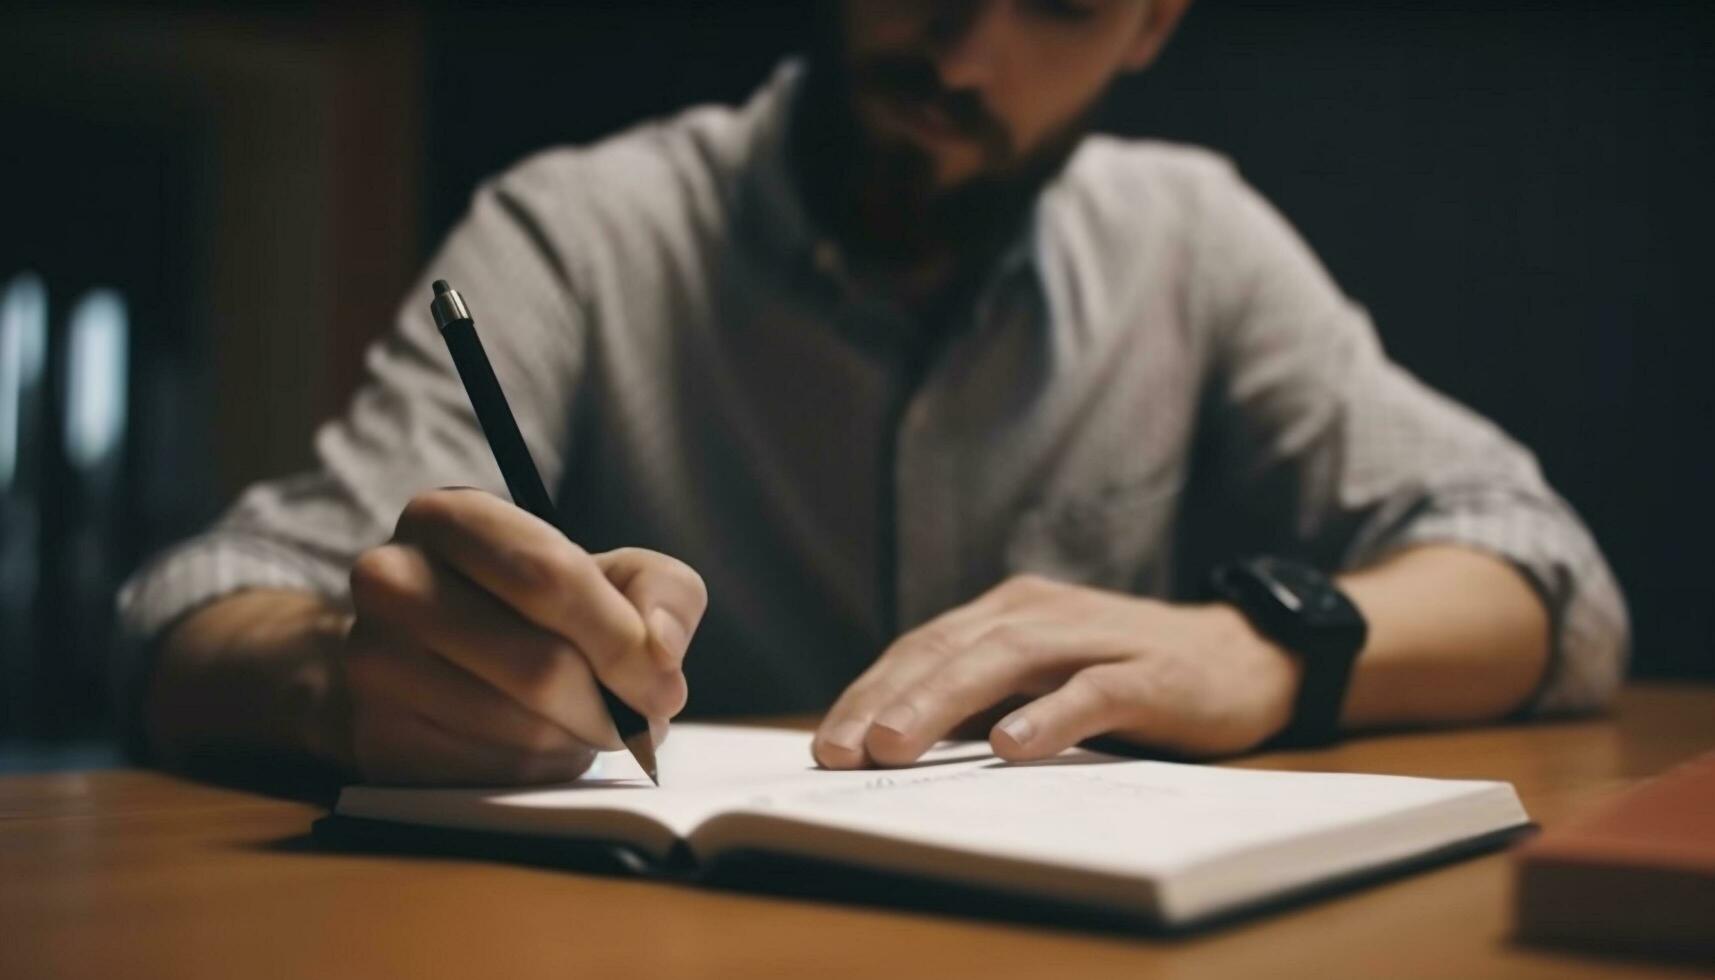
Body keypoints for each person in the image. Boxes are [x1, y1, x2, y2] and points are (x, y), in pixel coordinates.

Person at [120, 0, 1627, 785]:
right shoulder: (576, 231)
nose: (963, 53)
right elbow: (200, 604)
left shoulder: (1191, 240)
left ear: (1151, 28)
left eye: (1058, 1)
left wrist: (1259, 652)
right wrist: (331, 678)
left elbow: (1547, 574)